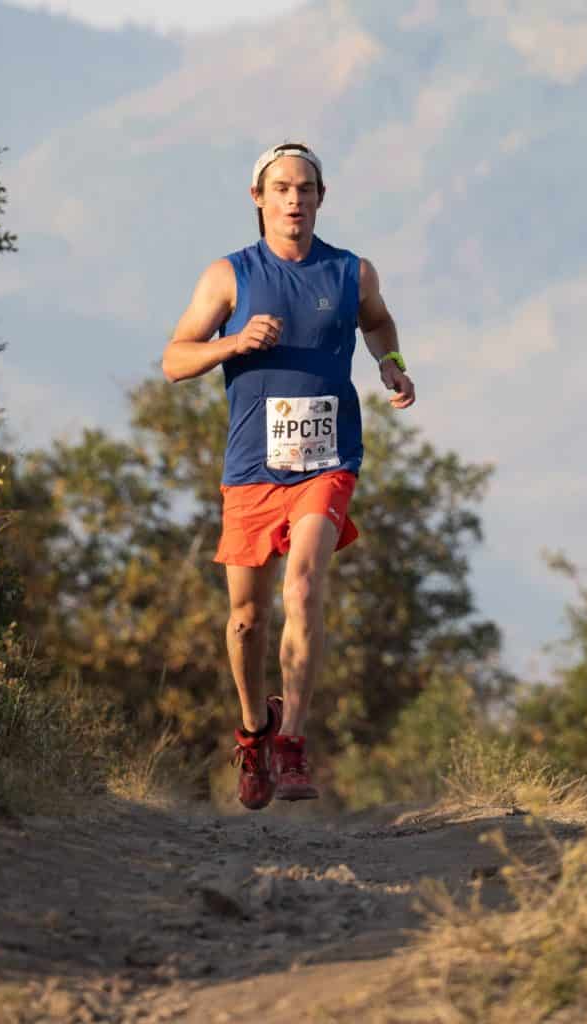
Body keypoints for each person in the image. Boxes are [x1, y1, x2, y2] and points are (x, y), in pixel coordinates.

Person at [162, 141, 415, 810]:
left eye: (306, 188)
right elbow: (175, 359)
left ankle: (294, 743)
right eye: (281, 188)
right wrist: (233, 343)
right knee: (246, 620)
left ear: (321, 198)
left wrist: (390, 362)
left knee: (303, 587)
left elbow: (380, 322)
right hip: (251, 468)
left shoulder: (350, 272)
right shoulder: (228, 276)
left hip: (328, 462)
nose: (294, 199)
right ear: (259, 198)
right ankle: (254, 731)